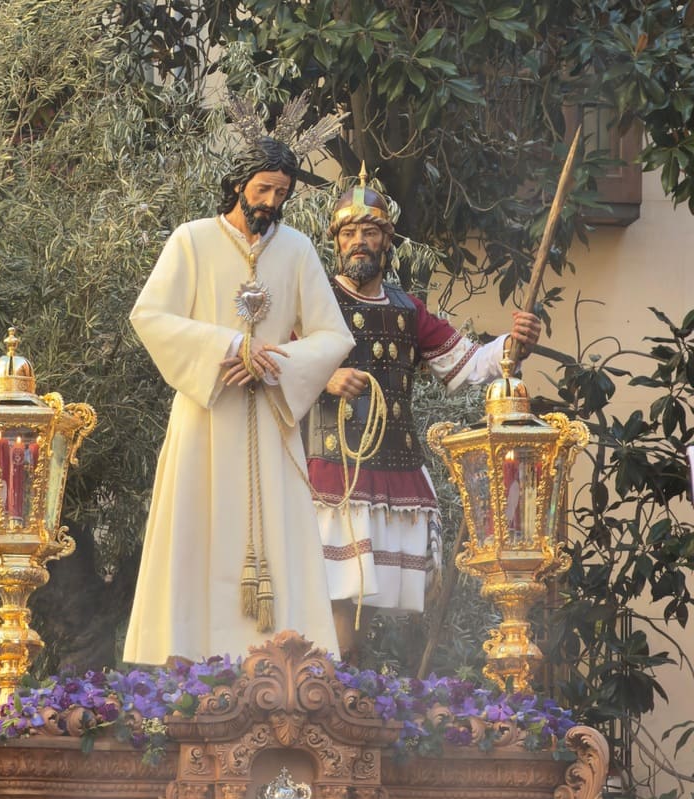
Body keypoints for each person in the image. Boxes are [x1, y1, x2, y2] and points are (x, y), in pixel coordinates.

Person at [123, 137, 354, 666]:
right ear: (237, 185)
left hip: (271, 419)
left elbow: (332, 336)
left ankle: (283, 661)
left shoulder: (296, 250)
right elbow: (151, 315)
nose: (271, 202)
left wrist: (275, 365)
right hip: (206, 415)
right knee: (197, 526)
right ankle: (188, 654)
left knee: (279, 532)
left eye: (281, 192)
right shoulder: (191, 241)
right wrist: (229, 347)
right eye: (263, 188)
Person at [305, 177, 542, 661]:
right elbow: (280, 361)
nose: (358, 242)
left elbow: (468, 364)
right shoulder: (314, 299)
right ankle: (327, 683)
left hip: (392, 465)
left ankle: (343, 684)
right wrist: (324, 376)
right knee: (331, 587)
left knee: (362, 594)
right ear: (335, 241)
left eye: (370, 232)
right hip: (330, 466)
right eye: (348, 233)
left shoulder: (406, 310)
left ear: (387, 242)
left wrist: (514, 344)